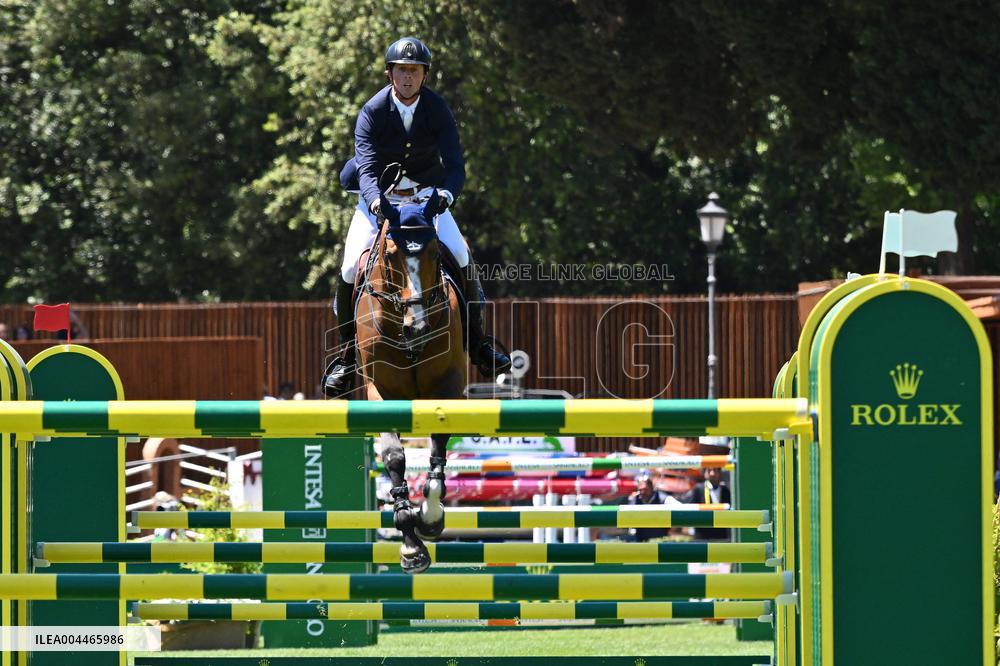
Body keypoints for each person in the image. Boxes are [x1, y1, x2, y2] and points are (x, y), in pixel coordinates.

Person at [323, 36, 511, 398]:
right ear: (389, 73)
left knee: (461, 257)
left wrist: (447, 194)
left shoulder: (437, 109)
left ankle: (479, 344)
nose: (407, 77)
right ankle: (347, 356)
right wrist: (376, 200)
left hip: (427, 200)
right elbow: (364, 167)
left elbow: (455, 165)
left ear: (424, 75)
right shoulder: (373, 110)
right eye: (401, 71)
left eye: (414, 71)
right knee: (350, 267)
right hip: (381, 201)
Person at [681, 466, 732, 540]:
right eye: (709, 470)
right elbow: (689, 509)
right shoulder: (698, 489)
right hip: (702, 536)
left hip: (721, 536)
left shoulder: (726, 491)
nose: (712, 474)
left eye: (715, 470)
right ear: (704, 473)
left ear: (720, 473)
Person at [626, 473, 673, 542]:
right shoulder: (635, 499)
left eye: (645, 489)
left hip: (661, 540)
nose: (642, 492)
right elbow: (627, 516)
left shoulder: (664, 499)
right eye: (640, 490)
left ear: (652, 488)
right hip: (641, 540)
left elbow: (681, 510)